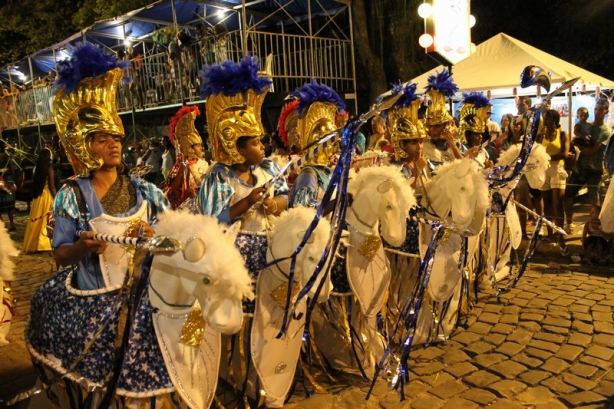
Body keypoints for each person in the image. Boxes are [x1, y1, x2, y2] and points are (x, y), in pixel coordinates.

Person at [51, 42, 169, 291]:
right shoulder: (71, 196)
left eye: (116, 139)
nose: (114, 145)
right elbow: (61, 256)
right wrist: (81, 247)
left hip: (144, 296)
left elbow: (175, 242)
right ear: (83, 146)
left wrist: (155, 236)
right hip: (94, 298)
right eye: (103, 140)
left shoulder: (147, 191)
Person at [198, 56, 288, 277]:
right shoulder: (220, 177)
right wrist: (247, 202)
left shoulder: (268, 169)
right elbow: (214, 219)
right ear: (236, 148)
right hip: (236, 256)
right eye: (255, 143)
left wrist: (274, 204)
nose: (262, 148)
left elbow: (286, 196)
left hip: (273, 248)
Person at [283, 79, 345, 210]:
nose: (335, 143)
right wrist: (336, 203)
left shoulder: (327, 172)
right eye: (330, 140)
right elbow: (304, 212)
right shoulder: (309, 174)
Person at [565, 98, 611, 234]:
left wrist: (578, 151)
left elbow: (594, 149)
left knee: (594, 198)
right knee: (568, 194)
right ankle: (569, 223)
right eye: (596, 109)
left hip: (594, 169)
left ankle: (593, 226)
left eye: (600, 110)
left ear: (606, 111)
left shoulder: (605, 131)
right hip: (581, 167)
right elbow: (575, 137)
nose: (597, 112)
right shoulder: (588, 126)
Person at [161, 106, 209, 210]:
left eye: (201, 145)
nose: (201, 148)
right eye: (197, 145)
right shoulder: (180, 164)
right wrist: (184, 168)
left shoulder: (204, 163)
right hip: (188, 206)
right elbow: (173, 188)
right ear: (189, 146)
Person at [538, 109, 569, 250]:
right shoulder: (542, 135)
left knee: (558, 202)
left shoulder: (562, 134)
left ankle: (560, 236)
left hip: (557, 168)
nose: (546, 122)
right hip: (544, 169)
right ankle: (549, 233)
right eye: (545, 119)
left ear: (555, 120)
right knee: (547, 202)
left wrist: (548, 158)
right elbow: (536, 151)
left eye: (549, 119)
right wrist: (540, 137)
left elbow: (564, 153)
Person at [422, 69, 464, 167]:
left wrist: (452, 145)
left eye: (437, 126)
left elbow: (464, 168)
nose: (433, 130)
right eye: (431, 126)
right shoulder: (424, 146)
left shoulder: (457, 145)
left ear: (446, 125)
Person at [22, 146, 57, 252]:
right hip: (47, 196)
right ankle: (44, 243)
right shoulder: (49, 169)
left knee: (36, 220)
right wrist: (57, 198)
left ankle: (33, 244)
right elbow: (51, 186)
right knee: (45, 220)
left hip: (38, 197)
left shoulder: (35, 169)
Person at [458, 92, 495, 168]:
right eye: (477, 134)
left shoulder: (484, 152)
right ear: (468, 135)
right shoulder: (460, 151)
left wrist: (489, 168)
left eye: (481, 134)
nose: (481, 137)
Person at [0, 143, 16, 231]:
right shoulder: (8, 157)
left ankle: (2, 223)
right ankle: (12, 223)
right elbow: (13, 172)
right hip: (8, 182)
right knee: (9, 205)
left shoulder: (7, 158)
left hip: (4, 182)